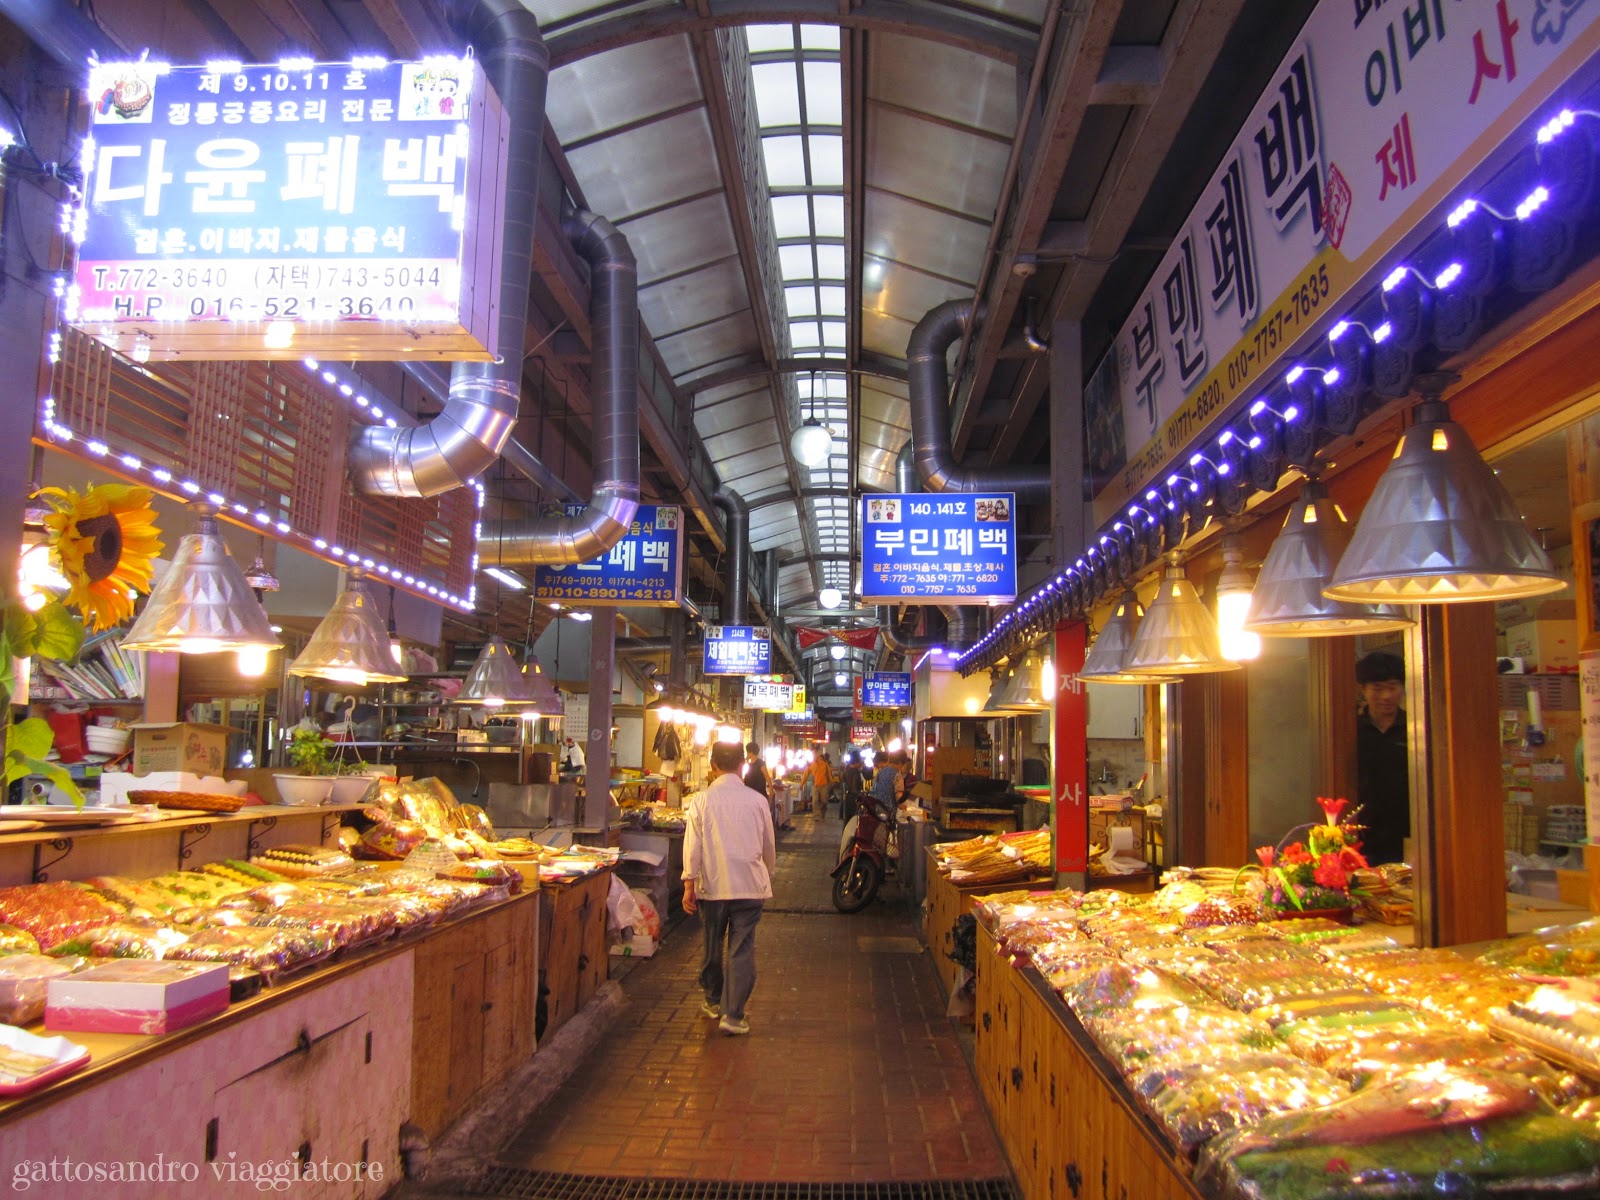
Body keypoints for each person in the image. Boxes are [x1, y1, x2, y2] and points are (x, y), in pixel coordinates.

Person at [682, 740, 776, 1037]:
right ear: (742, 764)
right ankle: (733, 1015)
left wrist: (688, 884)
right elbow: (768, 846)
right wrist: (767, 874)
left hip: (712, 886)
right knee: (741, 948)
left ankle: (712, 1000)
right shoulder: (758, 801)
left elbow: (692, 847)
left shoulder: (701, 800)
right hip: (749, 886)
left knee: (712, 943)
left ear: (712, 766)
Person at [1355, 651, 1409, 865]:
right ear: (1363, 690)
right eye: (1378, 688)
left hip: (1407, 832)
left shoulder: (1416, 729)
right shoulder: (1351, 729)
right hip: (1361, 833)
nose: (1386, 696)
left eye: (1393, 687)